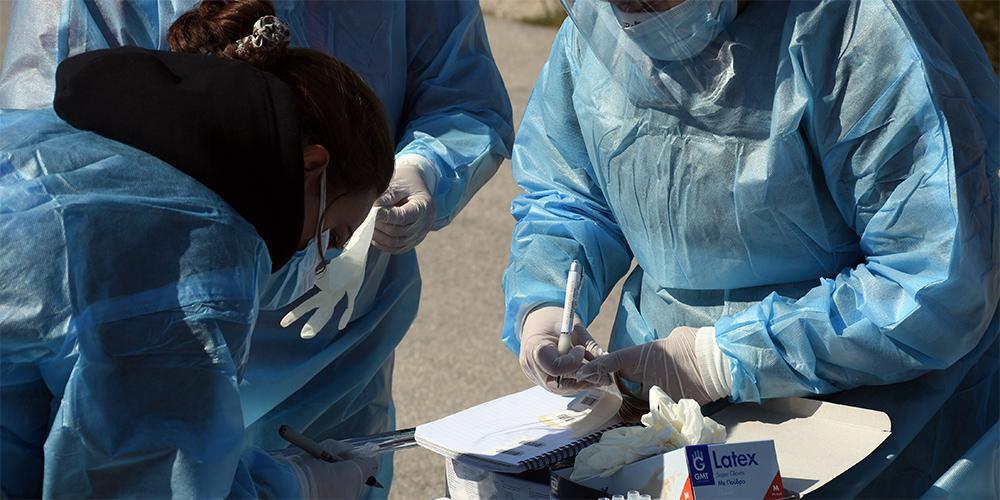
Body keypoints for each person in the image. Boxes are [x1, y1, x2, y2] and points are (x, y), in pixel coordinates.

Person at [0, 0, 514, 495]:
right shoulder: (192, 272)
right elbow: (148, 482)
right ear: (312, 165)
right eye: (335, 236)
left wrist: (426, 166)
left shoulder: (56, 154)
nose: (320, 260)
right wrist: (298, 486)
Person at [502, 0, 998, 497]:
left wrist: (719, 359)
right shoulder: (598, 28)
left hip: (864, 404)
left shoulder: (854, 28)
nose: (630, 12)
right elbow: (569, 197)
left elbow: (932, 277)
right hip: (658, 395)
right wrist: (546, 307)